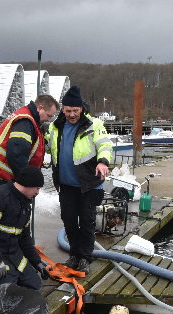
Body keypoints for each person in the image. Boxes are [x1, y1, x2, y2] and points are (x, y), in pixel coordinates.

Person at [47, 86, 113, 274]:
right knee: (68, 220)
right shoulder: (55, 126)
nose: (72, 114)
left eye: (75, 111)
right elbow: (45, 145)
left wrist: (103, 162)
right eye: (68, 111)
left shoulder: (94, 125)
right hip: (66, 184)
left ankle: (85, 257)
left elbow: (105, 145)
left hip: (89, 184)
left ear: (81, 109)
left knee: (86, 221)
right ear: (63, 109)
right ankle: (74, 255)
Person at [0, 166, 48, 290]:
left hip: (13, 255)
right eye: (37, 188)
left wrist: (37, 262)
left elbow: (25, 239)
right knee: (6, 290)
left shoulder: (25, 204)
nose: (38, 192)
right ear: (28, 184)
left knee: (34, 285)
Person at [0, 94, 58, 190]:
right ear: (40, 108)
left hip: (1, 176)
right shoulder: (26, 121)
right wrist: (26, 181)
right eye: (49, 115)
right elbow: (17, 154)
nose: (49, 120)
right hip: (5, 180)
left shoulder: (25, 116)